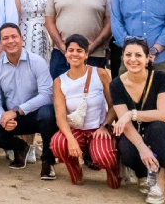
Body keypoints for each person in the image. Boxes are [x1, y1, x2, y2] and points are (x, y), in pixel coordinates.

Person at [0, 23, 58, 178]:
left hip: (35, 113)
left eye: (14, 37)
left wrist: (18, 110)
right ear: (0, 43)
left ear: (22, 39)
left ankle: (47, 162)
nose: (10, 41)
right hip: (12, 117)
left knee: (48, 114)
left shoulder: (37, 62)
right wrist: (2, 118)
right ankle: (19, 147)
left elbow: (47, 94)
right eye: (5, 38)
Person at [111, 37, 165, 204]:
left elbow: (163, 114)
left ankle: (160, 181)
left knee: (157, 128)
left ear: (148, 58)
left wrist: (131, 114)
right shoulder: (116, 84)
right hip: (134, 134)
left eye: (138, 55)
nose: (133, 59)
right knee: (126, 146)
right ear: (123, 57)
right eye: (128, 55)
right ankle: (142, 173)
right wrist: (141, 147)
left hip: (162, 134)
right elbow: (125, 123)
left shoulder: (161, 78)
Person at [50, 34, 120, 189]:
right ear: (66, 53)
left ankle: (113, 169)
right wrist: (70, 139)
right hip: (76, 129)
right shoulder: (60, 81)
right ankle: (74, 168)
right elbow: (60, 116)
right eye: (71, 50)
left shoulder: (100, 73)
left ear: (86, 54)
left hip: (98, 128)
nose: (75, 54)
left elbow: (114, 105)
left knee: (104, 157)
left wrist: (105, 126)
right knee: (58, 142)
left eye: (79, 50)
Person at [45, 0, 111, 79]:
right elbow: (49, 21)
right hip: (62, 54)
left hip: (94, 55)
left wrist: (91, 47)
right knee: (60, 93)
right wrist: (63, 47)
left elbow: (109, 23)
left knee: (92, 95)